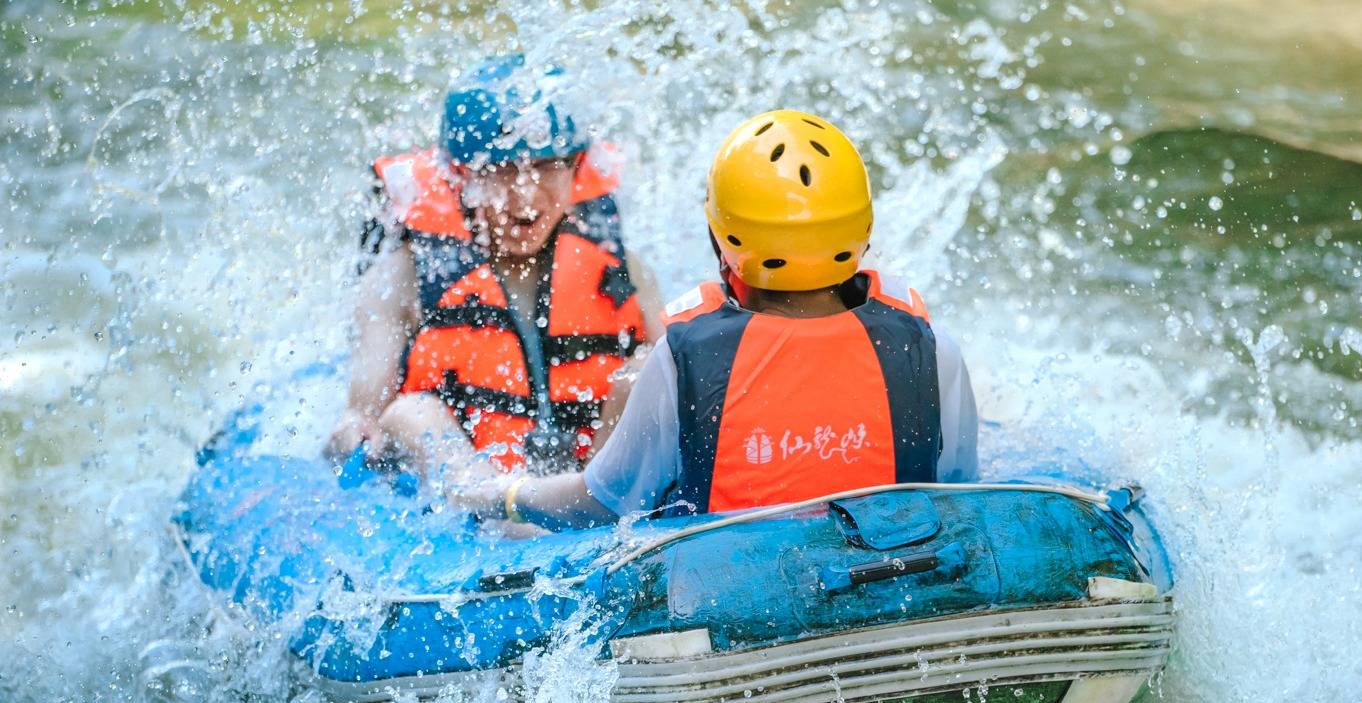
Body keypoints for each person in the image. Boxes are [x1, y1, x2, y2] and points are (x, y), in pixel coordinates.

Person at [460, 109, 978, 528]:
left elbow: (600, 505)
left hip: (730, 602)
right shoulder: (933, 350)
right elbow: (959, 494)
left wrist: (506, 495)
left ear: (723, 238)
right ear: (862, 230)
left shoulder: (682, 360)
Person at [325, 54, 665, 492]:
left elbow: (676, 385)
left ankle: (590, 513)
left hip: (590, 484)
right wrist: (353, 429)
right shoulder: (403, 279)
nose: (526, 193)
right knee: (408, 415)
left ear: (575, 168)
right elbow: (363, 416)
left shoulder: (625, 272)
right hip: (468, 494)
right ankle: (515, 526)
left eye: (546, 167)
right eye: (502, 171)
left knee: (646, 372)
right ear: (460, 176)